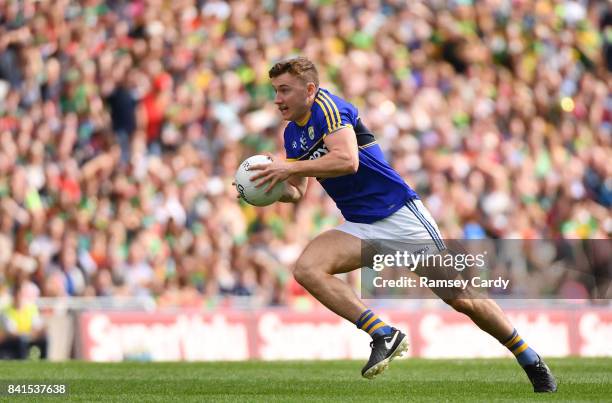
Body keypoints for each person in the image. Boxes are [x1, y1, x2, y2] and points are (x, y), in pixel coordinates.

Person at [247, 57, 557, 392]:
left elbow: (347, 161)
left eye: (284, 90)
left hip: (400, 216)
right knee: (308, 269)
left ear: (309, 89)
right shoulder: (292, 133)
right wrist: (270, 189)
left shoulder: (330, 108)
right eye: (275, 91)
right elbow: (299, 191)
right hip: (361, 225)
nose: (277, 99)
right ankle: (382, 333)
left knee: (461, 297)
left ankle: (529, 358)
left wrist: (288, 169)